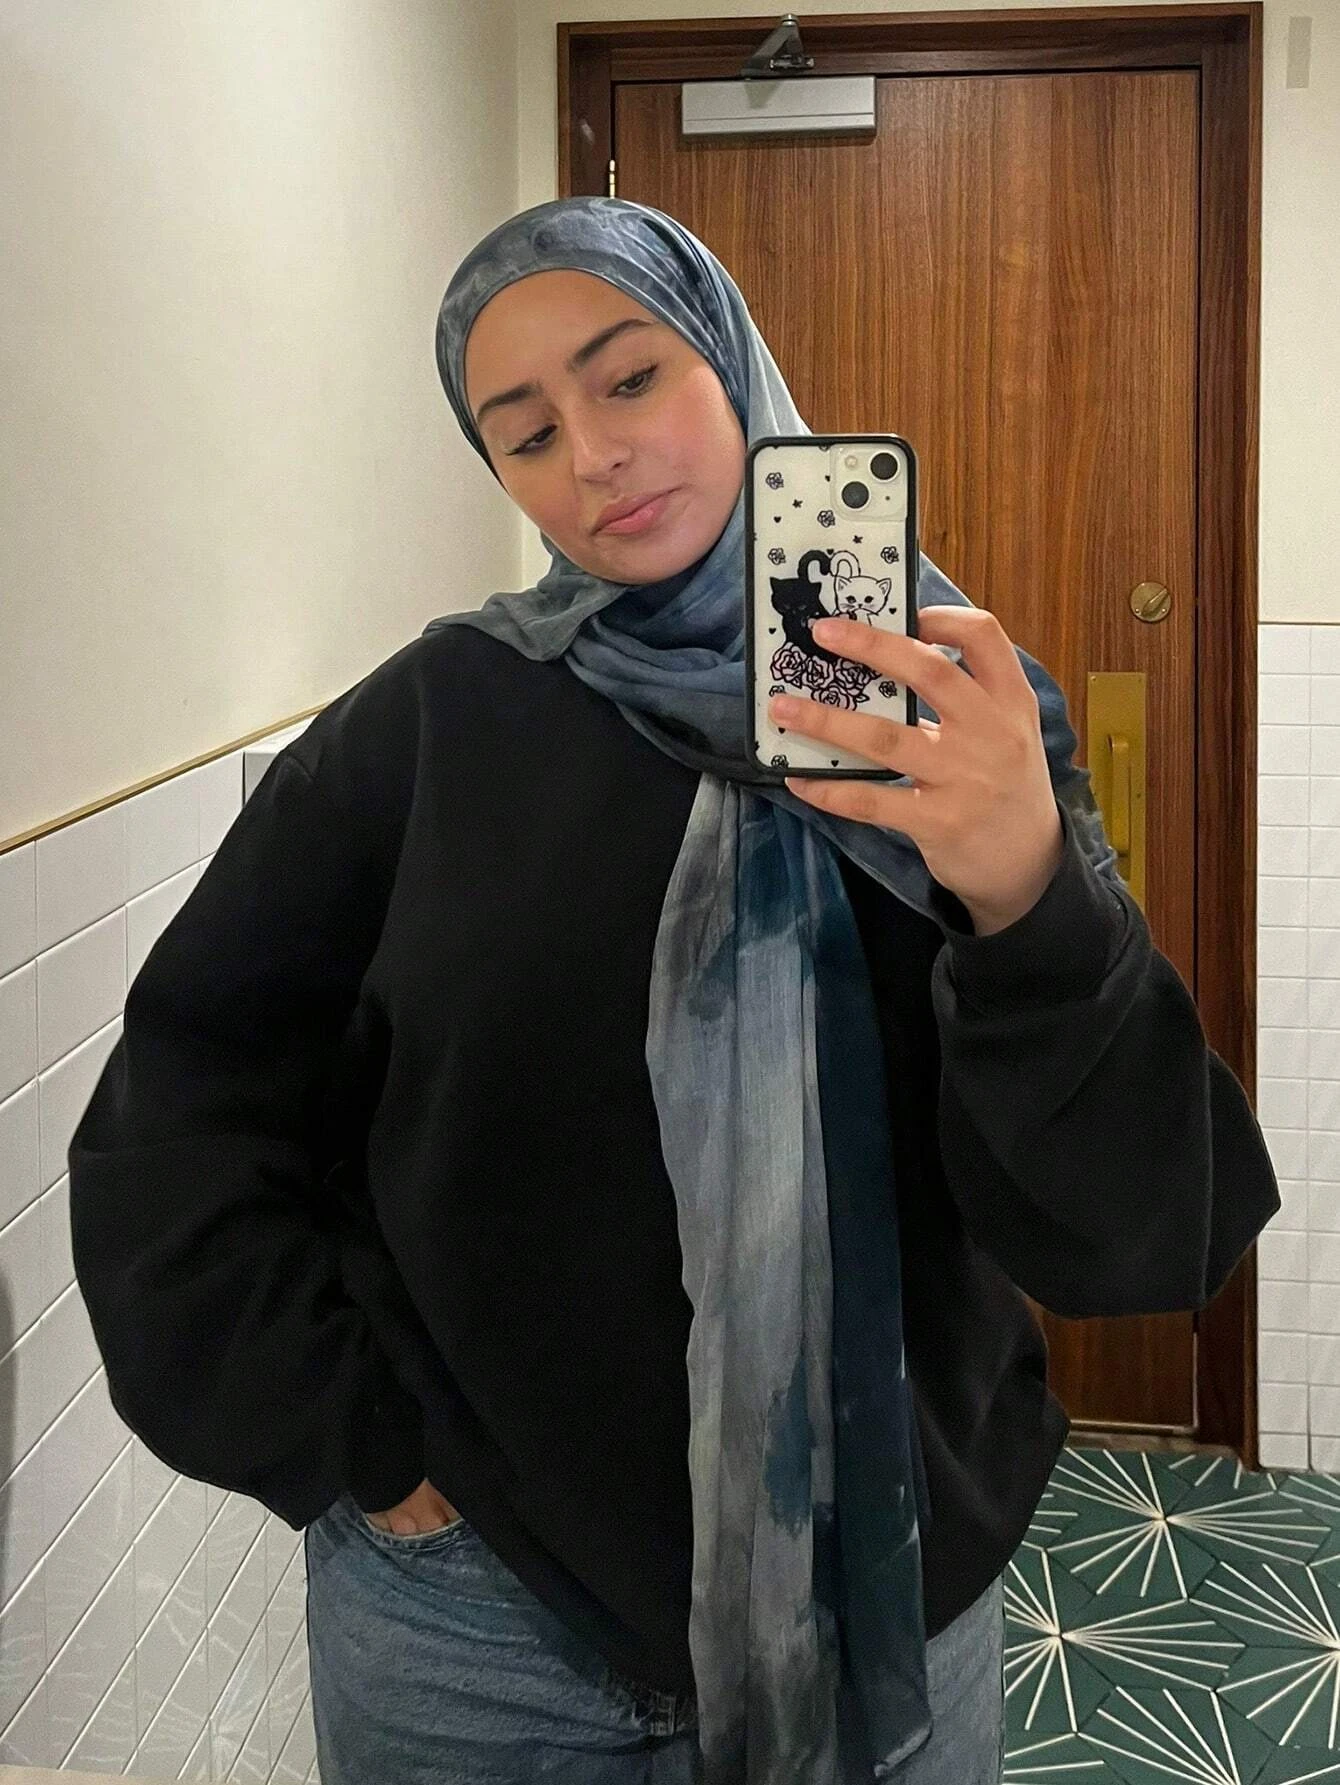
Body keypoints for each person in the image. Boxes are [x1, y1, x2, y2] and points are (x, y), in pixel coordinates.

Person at [67, 198, 1280, 1785]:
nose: (593, 456)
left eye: (630, 377)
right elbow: (186, 1103)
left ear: (729, 359)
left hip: (887, 1585)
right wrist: (356, 1448)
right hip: (480, 1633)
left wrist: (1027, 895)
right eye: (526, 433)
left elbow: (1131, 1230)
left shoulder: (956, 714)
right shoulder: (430, 730)